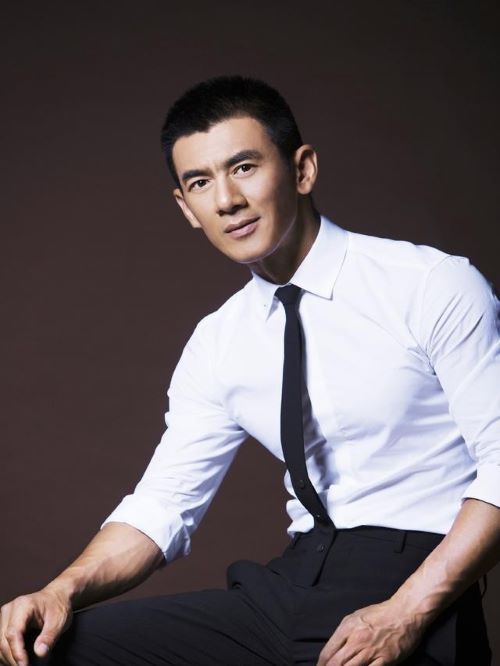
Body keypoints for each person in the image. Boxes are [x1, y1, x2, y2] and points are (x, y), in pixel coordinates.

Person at [1, 75, 499, 666]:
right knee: (46, 651)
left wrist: (408, 611)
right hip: (287, 587)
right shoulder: (219, 340)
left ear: (302, 170)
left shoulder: (430, 285)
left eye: (243, 167)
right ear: (186, 208)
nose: (226, 200)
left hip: (414, 581)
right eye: (200, 183)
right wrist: (60, 590)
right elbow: (164, 504)